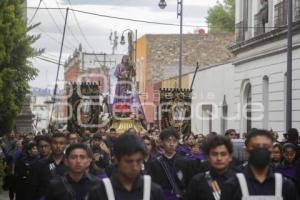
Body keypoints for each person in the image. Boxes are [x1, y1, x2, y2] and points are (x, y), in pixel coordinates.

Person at [221, 128, 299, 200]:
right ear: (246, 151)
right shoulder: (232, 186)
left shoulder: (286, 186)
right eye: (256, 147)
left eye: (265, 147)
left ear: (272, 151)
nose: (261, 150)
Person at [87, 133, 165, 200]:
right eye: (129, 161)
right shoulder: (100, 192)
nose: (134, 167)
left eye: (138, 161)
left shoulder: (154, 191)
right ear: (117, 160)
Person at [148, 128, 199, 200]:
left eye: (174, 141)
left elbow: (190, 185)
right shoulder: (155, 163)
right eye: (168, 140)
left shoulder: (185, 162)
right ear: (162, 142)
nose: (171, 144)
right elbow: (152, 186)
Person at [187, 135, 235, 200]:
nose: (219, 158)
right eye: (214, 154)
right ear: (208, 157)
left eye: (223, 154)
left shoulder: (239, 180)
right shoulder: (197, 181)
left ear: (230, 157)